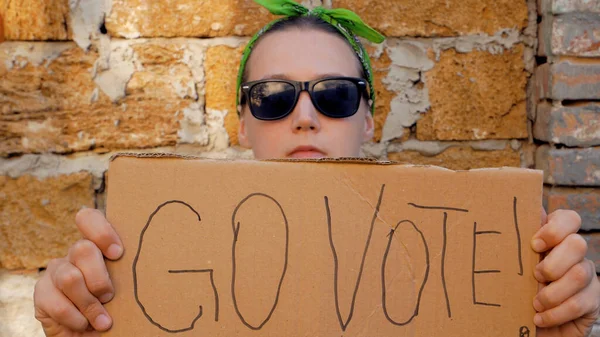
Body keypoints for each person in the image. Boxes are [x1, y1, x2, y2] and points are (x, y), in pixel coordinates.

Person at [33, 0, 600, 336]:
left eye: (334, 95)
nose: (304, 116)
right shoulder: (153, 261)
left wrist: (558, 326)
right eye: (273, 97)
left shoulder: (457, 260)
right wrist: (76, 323)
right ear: (242, 126)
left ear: (370, 120)